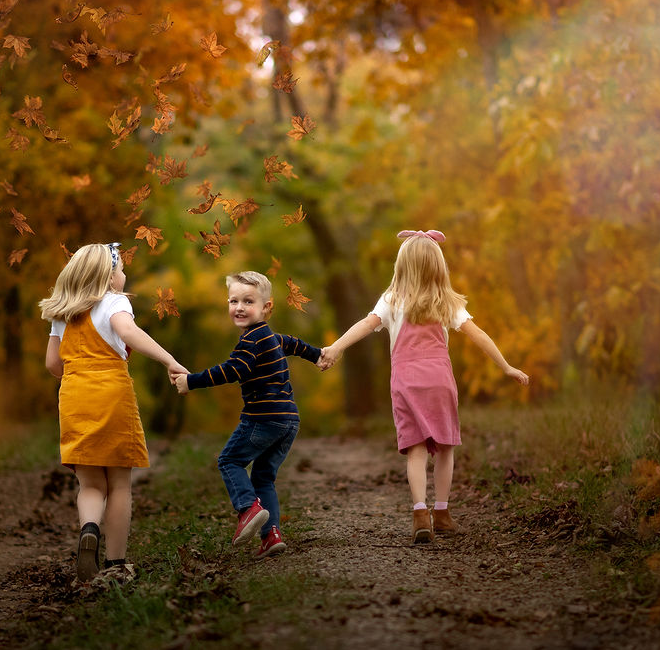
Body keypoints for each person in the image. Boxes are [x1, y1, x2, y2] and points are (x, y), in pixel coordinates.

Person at [318, 229, 529, 544]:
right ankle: (442, 513)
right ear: (438, 267)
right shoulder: (447, 301)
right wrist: (506, 366)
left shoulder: (392, 299)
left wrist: (336, 347)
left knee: (415, 450)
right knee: (445, 448)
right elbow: (479, 335)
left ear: (402, 266)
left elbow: (365, 324)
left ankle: (420, 514)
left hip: (406, 381)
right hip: (439, 380)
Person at [40, 242, 187, 582]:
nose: (124, 276)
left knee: (90, 483)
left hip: (75, 397)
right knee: (120, 484)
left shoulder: (62, 312)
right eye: (121, 270)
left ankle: (89, 528)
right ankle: (115, 565)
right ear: (107, 277)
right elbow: (128, 332)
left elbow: (52, 364)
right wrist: (169, 360)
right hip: (112, 394)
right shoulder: (114, 301)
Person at [172, 271, 322, 560]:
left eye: (248, 301)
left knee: (230, 460)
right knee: (264, 478)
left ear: (267, 307)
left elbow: (232, 370)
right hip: (289, 420)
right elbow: (295, 344)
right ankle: (272, 536)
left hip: (262, 418)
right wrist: (316, 355)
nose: (239, 307)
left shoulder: (251, 341)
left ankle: (248, 509)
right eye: (233, 300)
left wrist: (192, 381)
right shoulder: (271, 338)